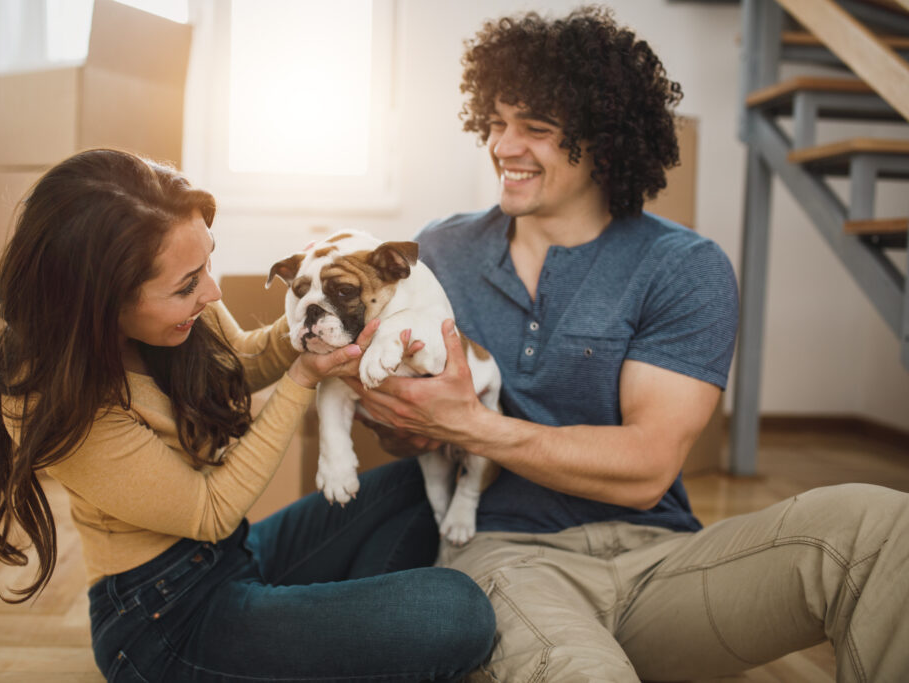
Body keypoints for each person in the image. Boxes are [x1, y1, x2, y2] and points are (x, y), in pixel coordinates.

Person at [348, 7, 909, 682]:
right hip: (509, 554)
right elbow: (410, 426)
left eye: (537, 128)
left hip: (664, 560)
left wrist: (472, 423)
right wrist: (402, 421)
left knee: (884, 529)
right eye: (497, 122)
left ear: (605, 141)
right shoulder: (440, 252)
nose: (504, 146)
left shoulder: (682, 266)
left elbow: (646, 468)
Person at [0, 148, 495, 682]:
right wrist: (304, 377)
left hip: (232, 555)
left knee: (412, 484)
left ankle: (334, 643)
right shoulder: (48, 397)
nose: (212, 292)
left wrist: (316, 319)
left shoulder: (179, 307)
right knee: (457, 610)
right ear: (101, 300)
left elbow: (241, 360)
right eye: (187, 286)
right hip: (163, 619)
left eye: (207, 264)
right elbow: (209, 511)